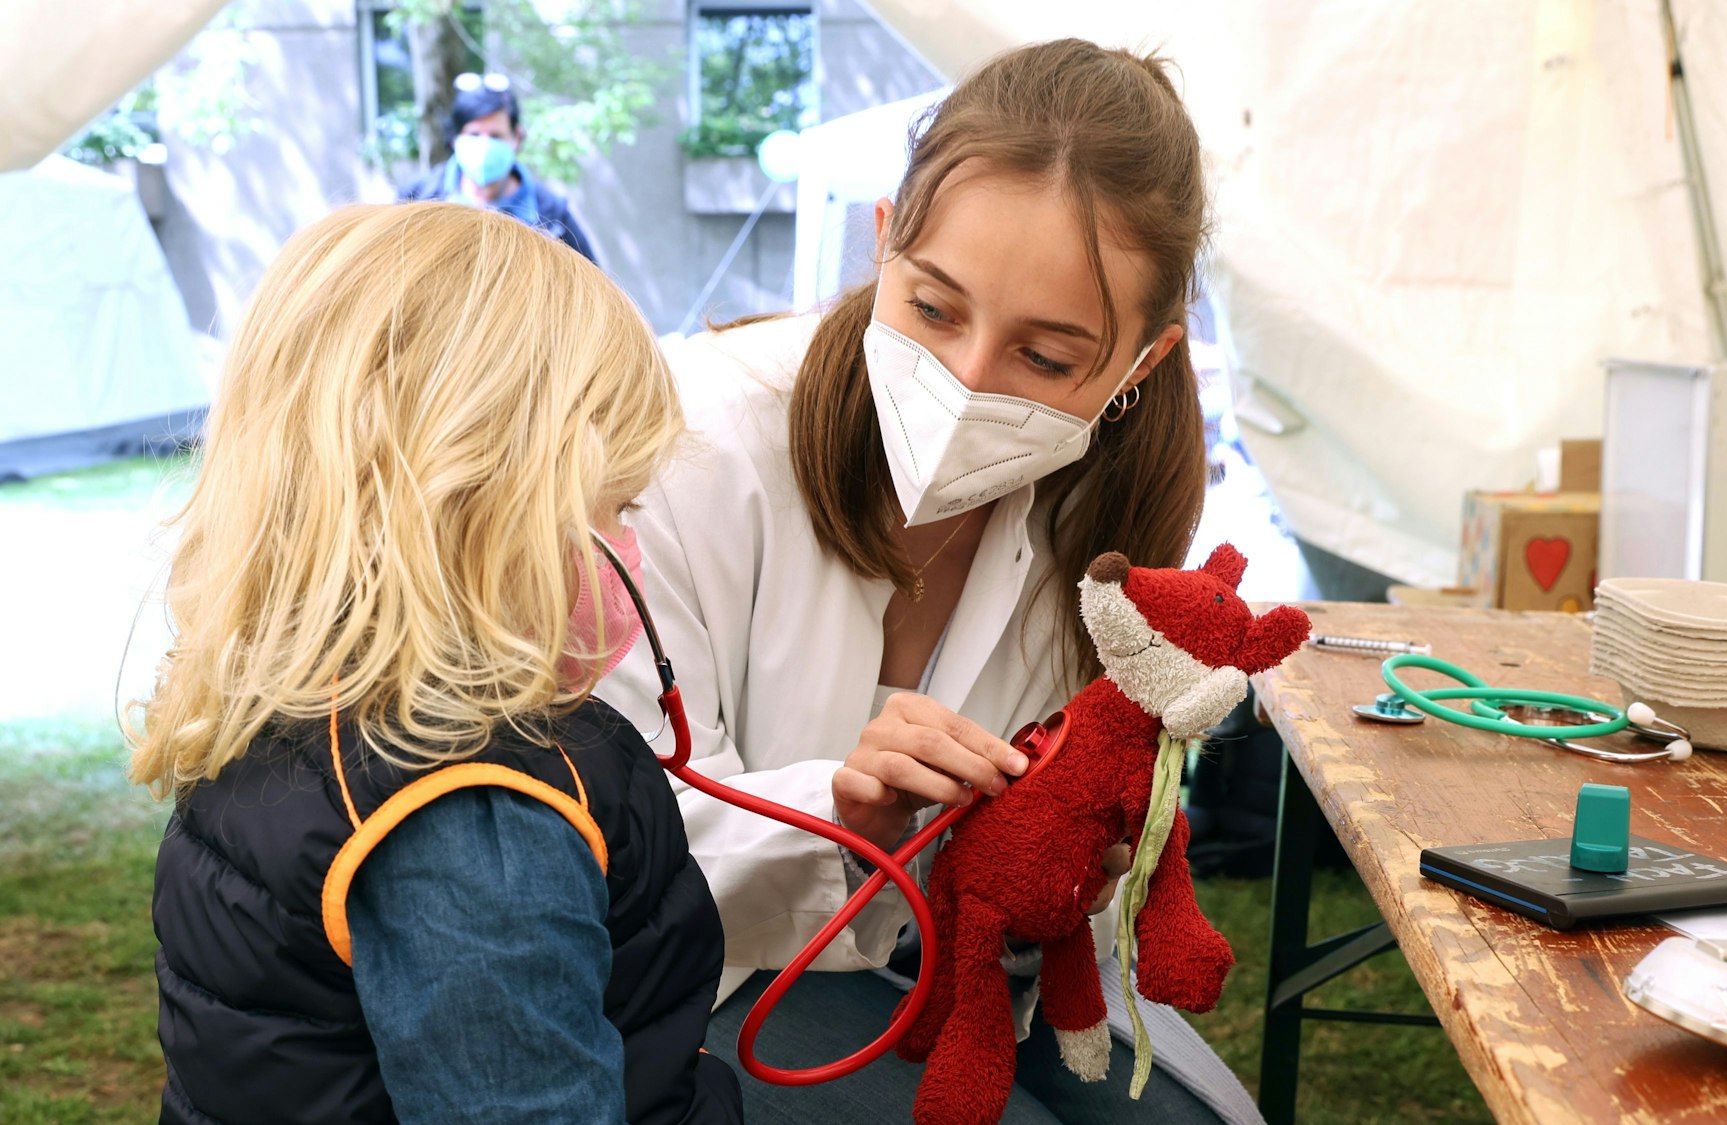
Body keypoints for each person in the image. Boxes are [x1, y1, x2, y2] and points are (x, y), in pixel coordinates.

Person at [598, 39, 1262, 1124]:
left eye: (1046, 361)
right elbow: (601, 843)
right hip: (699, 968)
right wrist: (837, 808)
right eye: (933, 309)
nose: (964, 383)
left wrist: (1083, 859)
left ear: (1139, 367)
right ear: (880, 241)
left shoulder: (1099, 531)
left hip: (962, 960)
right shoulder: (684, 448)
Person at [133, 202, 738, 1125]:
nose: (628, 548)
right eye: (618, 505)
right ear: (479, 506)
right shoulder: (470, 821)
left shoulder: (310, 711)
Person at [399, 73, 598, 263]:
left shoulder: (553, 216)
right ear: (454, 138)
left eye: (495, 136)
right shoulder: (417, 197)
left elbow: (593, 286)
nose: (484, 145)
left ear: (516, 138)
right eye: (474, 134)